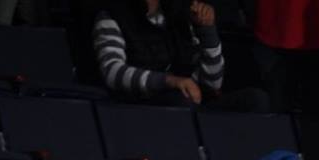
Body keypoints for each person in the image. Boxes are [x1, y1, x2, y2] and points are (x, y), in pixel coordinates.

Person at [93, 0, 225, 104]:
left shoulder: (179, 15)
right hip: (144, 109)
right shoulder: (112, 15)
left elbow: (212, 83)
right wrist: (169, 81)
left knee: (244, 102)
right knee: (181, 100)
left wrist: (207, 30)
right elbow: (112, 72)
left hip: (195, 109)